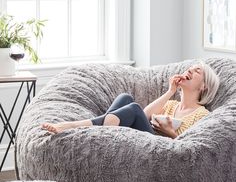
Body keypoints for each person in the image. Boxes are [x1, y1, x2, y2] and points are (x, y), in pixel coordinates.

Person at [41, 60, 220, 138]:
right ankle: (101, 129)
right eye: (191, 68)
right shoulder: (171, 105)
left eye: (197, 71)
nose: (190, 70)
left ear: (204, 86)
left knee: (133, 108)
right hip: (145, 136)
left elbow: (191, 149)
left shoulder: (201, 114)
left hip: (160, 148)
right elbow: (145, 115)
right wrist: (170, 91)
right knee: (125, 98)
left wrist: (170, 133)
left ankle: (75, 126)